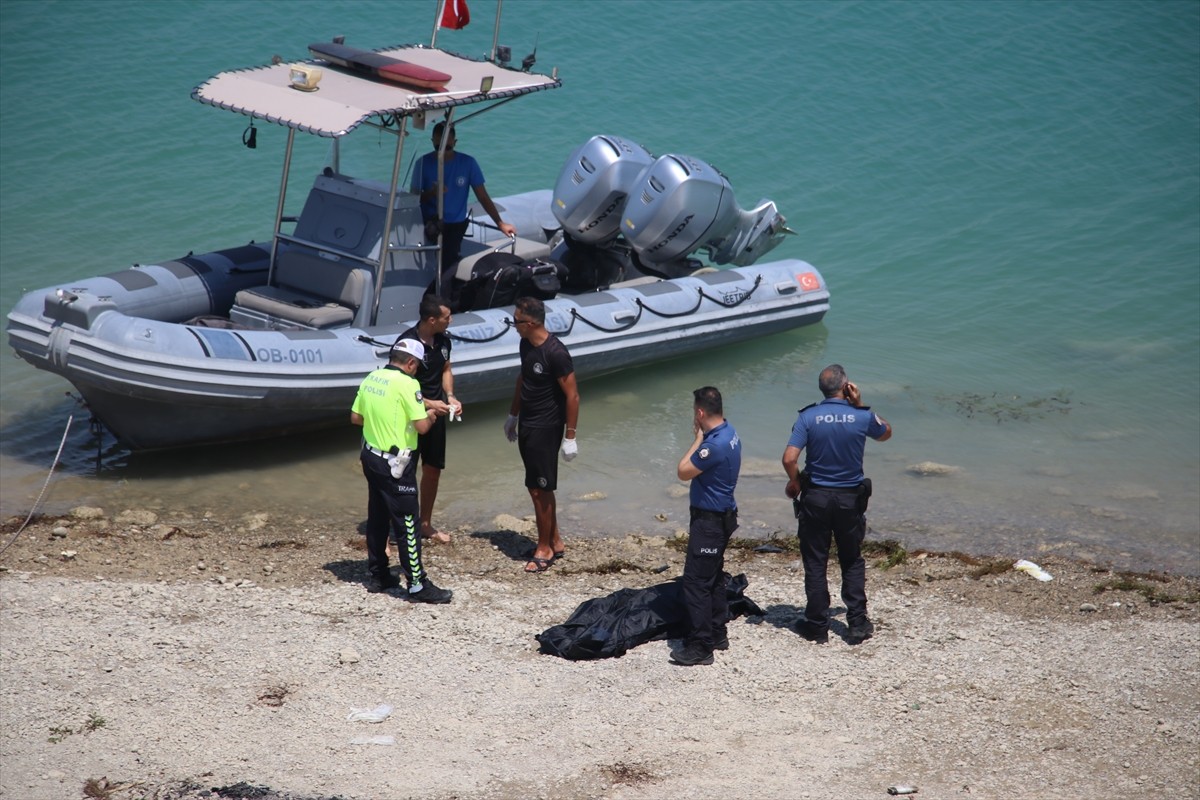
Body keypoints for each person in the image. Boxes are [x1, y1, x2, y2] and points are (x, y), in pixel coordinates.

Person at [781, 364, 892, 644]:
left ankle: (817, 625)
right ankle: (856, 623)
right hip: (849, 500)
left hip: (816, 498)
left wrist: (794, 482)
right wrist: (861, 404)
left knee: (816, 562)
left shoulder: (808, 416)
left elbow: (789, 458)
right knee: (851, 559)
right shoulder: (861, 416)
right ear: (846, 387)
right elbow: (885, 433)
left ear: (822, 389)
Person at [350, 338, 452, 603]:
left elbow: (356, 418)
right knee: (408, 522)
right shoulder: (409, 384)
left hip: (370, 456)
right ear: (410, 363)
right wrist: (431, 414)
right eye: (417, 366)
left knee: (378, 514)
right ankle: (417, 585)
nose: (417, 370)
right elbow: (421, 428)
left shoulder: (372, 377)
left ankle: (379, 575)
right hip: (396, 464)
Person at [504, 296, 579, 574]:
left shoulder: (556, 353)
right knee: (536, 486)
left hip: (547, 428)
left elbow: (572, 395)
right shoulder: (526, 344)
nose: (514, 325)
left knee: (540, 489)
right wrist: (513, 414)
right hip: (528, 424)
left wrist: (570, 436)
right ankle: (555, 541)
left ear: (531, 322)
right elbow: (523, 379)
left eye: (517, 321)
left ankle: (544, 548)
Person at [672, 386, 742, 667]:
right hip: (722, 516)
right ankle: (717, 632)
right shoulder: (730, 431)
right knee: (712, 576)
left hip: (710, 521)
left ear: (700, 412)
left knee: (696, 582)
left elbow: (682, 471)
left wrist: (696, 440)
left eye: (694, 413)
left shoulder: (712, 445)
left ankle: (701, 646)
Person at [410, 121, 517, 272]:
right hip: (429, 222)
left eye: (447, 147)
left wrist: (500, 223)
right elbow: (413, 200)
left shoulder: (468, 163)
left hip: (455, 224)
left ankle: (445, 289)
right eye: (438, 147)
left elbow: (483, 197)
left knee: (449, 264)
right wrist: (432, 193)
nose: (443, 152)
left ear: (455, 142)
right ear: (432, 141)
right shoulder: (422, 164)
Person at [399, 294, 460, 545]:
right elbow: (399, 387)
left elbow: (446, 368)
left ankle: (425, 524)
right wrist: (427, 403)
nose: (451, 321)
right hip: (409, 417)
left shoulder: (443, 340)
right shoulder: (406, 343)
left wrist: (450, 396)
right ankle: (403, 525)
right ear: (432, 319)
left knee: (433, 469)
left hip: (437, 414)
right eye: (447, 318)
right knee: (405, 471)